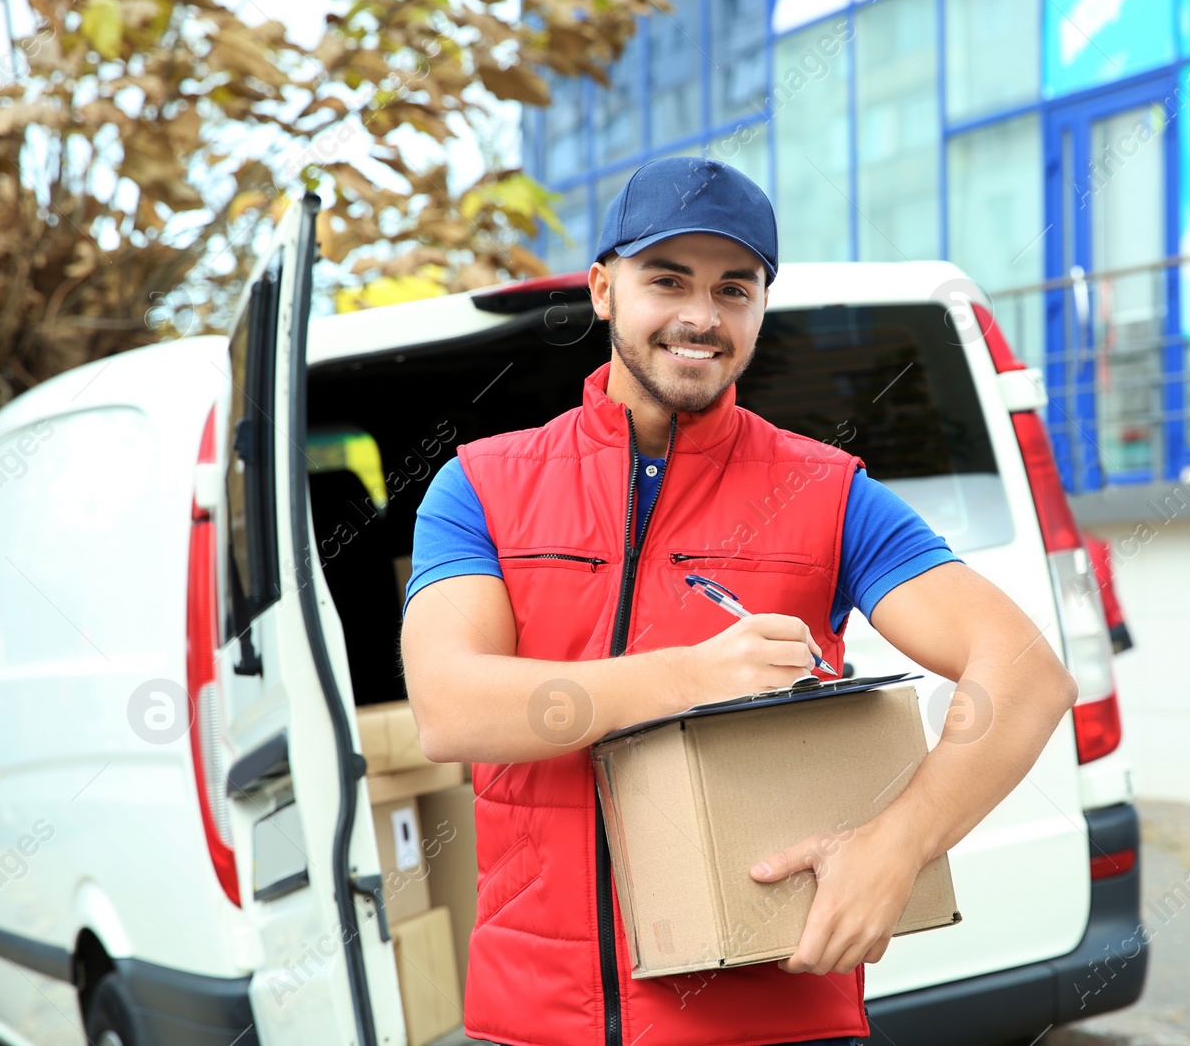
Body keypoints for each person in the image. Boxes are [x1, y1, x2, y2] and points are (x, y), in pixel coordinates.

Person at [400, 156, 1078, 1046]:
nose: (700, 316)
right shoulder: (480, 485)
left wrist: (895, 847)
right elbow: (451, 709)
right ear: (604, 289)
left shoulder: (829, 493)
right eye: (667, 280)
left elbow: (1025, 675)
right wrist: (694, 675)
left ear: (761, 306)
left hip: (775, 1020)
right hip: (536, 1019)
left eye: (734, 288)